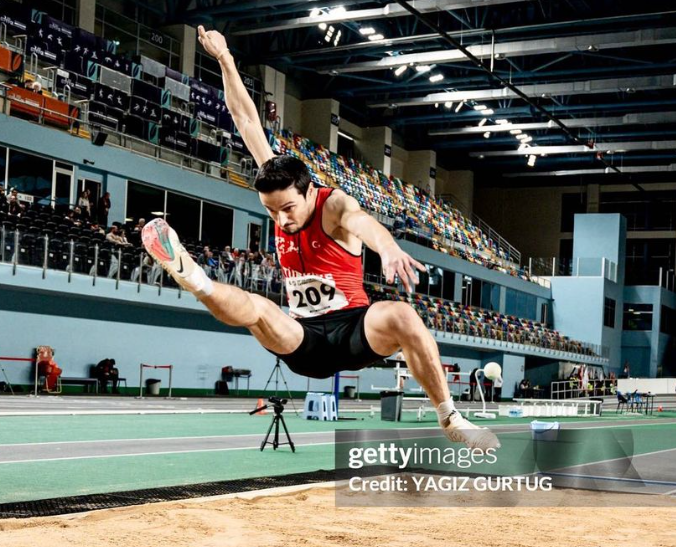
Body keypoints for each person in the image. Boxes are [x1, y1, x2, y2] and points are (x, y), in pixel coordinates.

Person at [140, 26, 499, 451]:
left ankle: (450, 417)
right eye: (271, 211)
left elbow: (363, 222)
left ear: (309, 192)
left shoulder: (334, 205)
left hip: (353, 331)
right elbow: (245, 120)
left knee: (402, 315)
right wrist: (225, 59)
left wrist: (386, 248)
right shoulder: (278, 184)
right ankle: (193, 278)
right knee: (259, 308)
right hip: (303, 337)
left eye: (287, 209)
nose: (280, 218)